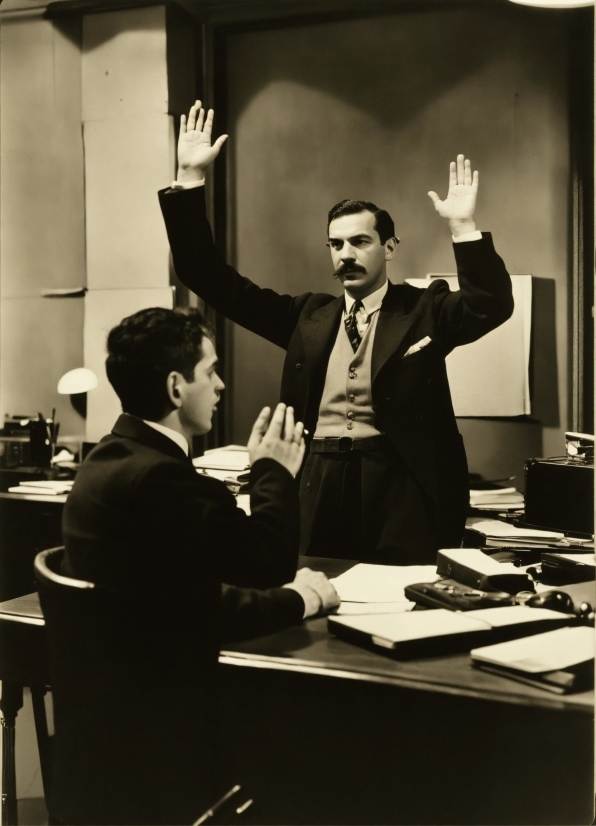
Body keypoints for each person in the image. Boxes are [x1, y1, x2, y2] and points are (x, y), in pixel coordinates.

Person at [158, 102, 514, 565]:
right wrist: (189, 179)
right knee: (315, 591)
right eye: (336, 244)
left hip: (399, 489)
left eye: (360, 242)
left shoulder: (425, 309)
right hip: (317, 480)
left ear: (389, 248)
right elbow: (207, 278)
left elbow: (491, 305)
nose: (345, 254)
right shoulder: (306, 316)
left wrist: (463, 227)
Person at [58, 306, 339, 825]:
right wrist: (273, 471)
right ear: (174, 387)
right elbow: (266, 567)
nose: (222, 385)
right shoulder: (162, 481)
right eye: (210, 372)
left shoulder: (107, 459)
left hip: (107, 724)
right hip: (170, 726)